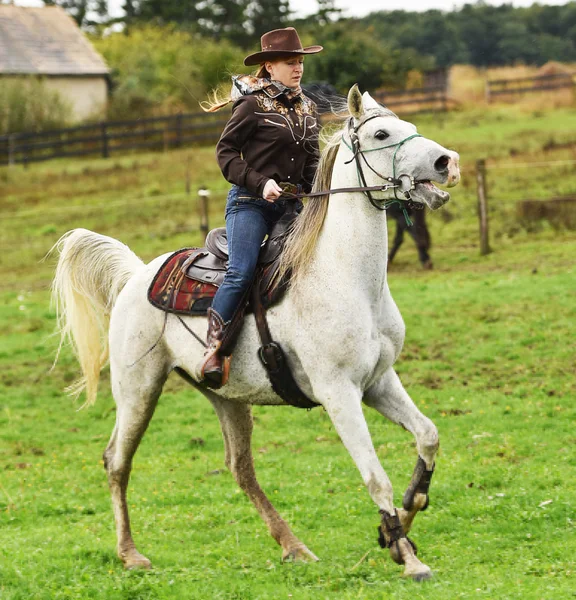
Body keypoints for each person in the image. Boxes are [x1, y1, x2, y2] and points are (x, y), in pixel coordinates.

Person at [198, 27, 323, 389]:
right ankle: (214, 348)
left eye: (299, 62)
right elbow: (225, 154)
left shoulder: (309, 108)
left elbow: (313, 162)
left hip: (292, 206)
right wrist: (260, 182)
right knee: (241, 270)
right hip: (249, 203)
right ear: (269, 66)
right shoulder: (251, 105)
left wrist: (318, 193)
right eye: (289, 63)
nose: (297, 68)